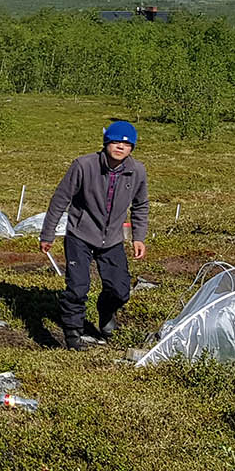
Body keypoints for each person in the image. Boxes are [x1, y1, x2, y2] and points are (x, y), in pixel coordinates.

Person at [41, 120, 148, 350]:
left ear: (132, 148)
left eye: (126, 144)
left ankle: (106, 310)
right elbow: (60, 199)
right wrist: (48, 234)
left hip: (113, 238)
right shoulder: (83, 165)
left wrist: (138, 237)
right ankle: (73, 334)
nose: (120, 146)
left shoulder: (137, 171)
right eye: (115, 142)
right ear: (106, 142)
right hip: (80, 233)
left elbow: (140, 205)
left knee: (120, 290)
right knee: (78, 287)